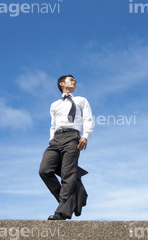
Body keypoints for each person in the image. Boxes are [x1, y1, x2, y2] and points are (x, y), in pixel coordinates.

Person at [39, 74, 94, 220]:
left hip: (72, 137)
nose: (75, 81)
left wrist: (85, 136)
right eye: (71, 80)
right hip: (56, 138)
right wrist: (51, 140)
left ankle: (62, 211)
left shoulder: (81, 100)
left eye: (75, 80)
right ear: (62, 84)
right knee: (45, 170)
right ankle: (71, 200)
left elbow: (88, 119)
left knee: (67, 174)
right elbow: (53, 125)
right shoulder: (54, 105)